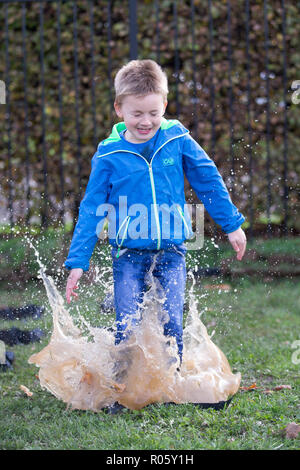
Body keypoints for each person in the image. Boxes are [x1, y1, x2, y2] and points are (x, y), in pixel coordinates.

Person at [65, 59, 247, 365]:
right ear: (119, 109)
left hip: (172, 252)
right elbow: (92, 208)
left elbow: (207, 179)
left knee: (172, 323)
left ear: (164, 104)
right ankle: (122, 386)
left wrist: (231, 224)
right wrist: (78, 261)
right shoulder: (109, 154)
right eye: (137, 113)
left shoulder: (176, 138)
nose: (146, 121)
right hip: (128, 255)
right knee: (126, 326)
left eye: (154, 112)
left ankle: (170, 382)